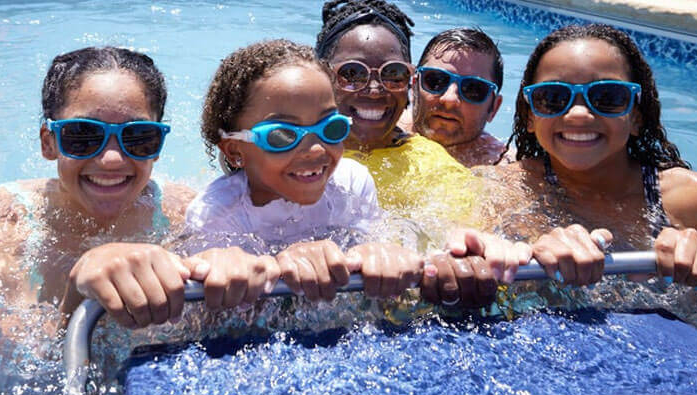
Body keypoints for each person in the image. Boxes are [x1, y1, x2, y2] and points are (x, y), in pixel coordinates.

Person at [186, 38, 518, 307]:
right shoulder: (215, 213)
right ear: (234, 150)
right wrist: (277, 263)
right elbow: (215, 310)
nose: (316, 150)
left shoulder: (351, 181)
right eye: (282, 136)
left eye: (330, 128)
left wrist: (377, 256)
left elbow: (371, 263)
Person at [483, 24, 697, 319]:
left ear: (635, 116)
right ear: (530, 116)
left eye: (608, 97)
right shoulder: (499, 191)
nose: (578, 114)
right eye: (554, 98)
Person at [0, 46, 197, 337]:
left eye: (138, 136)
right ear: (48, 143)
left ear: (158, 146)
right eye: (83, 135)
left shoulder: (184, 213)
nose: (111, 159)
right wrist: (76, 298)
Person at [314, 0, 481, 236]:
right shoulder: (291, 152)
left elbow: (462, 234)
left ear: (410, 85)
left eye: (393, 75)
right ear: (320, 77)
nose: (373, 90)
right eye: (351, 74)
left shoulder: (430, 167)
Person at [409, 28, 509, 167]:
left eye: (473, 89)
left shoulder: (503, 168)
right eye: (436, 81)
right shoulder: (380, 131)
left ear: (494, 108)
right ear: (414, 88)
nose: (449, 99)